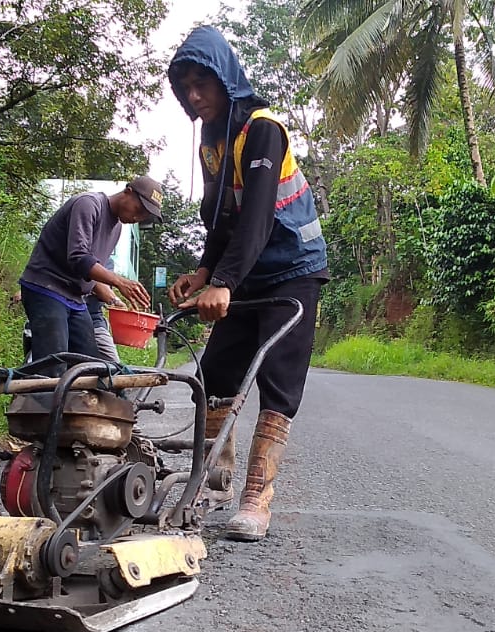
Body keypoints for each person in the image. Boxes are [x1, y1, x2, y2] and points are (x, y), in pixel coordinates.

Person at [167, 26, 329, 542]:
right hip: (245, 274)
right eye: (185, 87)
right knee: (215, 375)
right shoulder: (212, 145)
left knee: (278, 379)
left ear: (226, 79)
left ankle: (257, 496)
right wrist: (203, 273)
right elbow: (222, 220)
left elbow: (257, 215)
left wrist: (224, 282)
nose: (195, 96)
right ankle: (213, 479)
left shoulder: (262, 129)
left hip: (293, 268)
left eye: (203, 83)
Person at [18, 178, 158, 375]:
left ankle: (77, 403)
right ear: (127, 192)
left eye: (145, 215)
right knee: (54, 366)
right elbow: (79, 258)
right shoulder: (88, 204)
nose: (139, 217)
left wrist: (114, 299)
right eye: (140, 208)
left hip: (75, 299)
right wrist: (119, 282)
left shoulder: (116, 228)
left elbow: (93, 272)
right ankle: (37, 401)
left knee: (90, 368)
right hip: (46, 288)